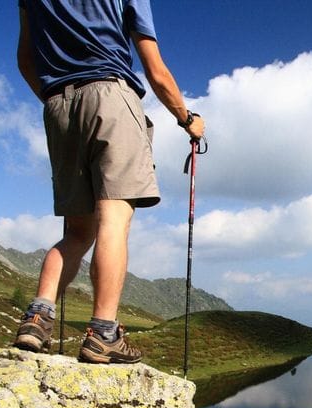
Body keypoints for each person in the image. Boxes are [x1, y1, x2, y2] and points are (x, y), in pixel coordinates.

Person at [13, 0, 204, 364]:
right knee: (113, 221)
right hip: (111, 96)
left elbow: (26, 60)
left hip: (58, 107)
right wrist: (187, 119)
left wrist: (59, 102)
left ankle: (37, 319)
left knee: (77, 233)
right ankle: (104, 333)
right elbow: (156, 70)